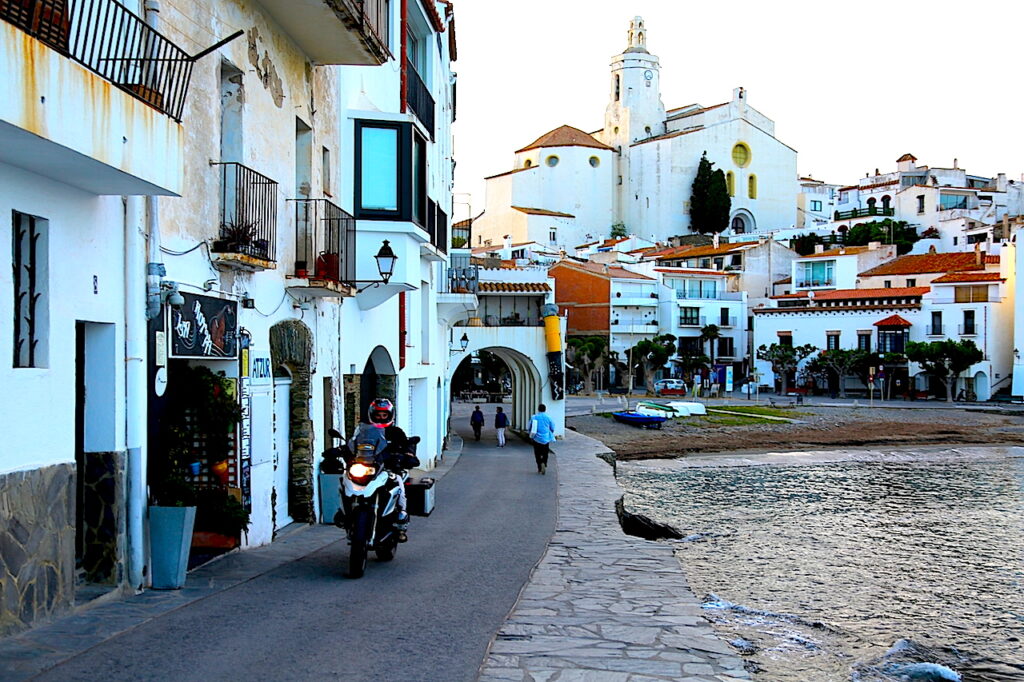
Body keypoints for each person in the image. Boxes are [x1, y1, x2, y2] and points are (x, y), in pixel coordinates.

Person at [357, 398, 414, 542]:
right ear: (372, 414)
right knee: (346, 478)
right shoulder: (365, 431)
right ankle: (344, 512)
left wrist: (407, 454)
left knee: (399, 484)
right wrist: (341, 450)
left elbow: (406, 445)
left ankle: (402, 515)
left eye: (384, 415)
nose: (381, 417)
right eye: (378, 414)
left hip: (389, 469)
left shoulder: (396, 432)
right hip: (369, 468)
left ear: (390, 415)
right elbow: (355, 443)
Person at [528, 404, 555, 474]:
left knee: (537, 453)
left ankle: (539, 466)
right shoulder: (548, 417)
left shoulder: (534, 417)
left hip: (536, 438)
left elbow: (529, 427)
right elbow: (552, 427)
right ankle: (544, 462)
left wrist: (530, 434)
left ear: (538, 409)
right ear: (545, 409)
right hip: (545, 438)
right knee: (545, 452)